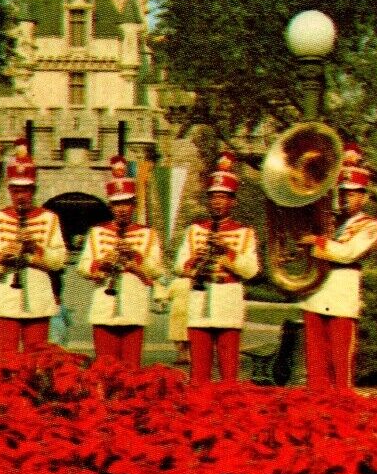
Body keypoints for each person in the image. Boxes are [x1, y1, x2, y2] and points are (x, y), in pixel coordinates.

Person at [297, 143, 377, 392]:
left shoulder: (370, 225)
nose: (347, 197)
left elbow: (348, 253)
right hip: (315, 292)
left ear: (365, 196)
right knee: (314, 365)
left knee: (340, 365)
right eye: (344, 192)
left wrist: (316, 241)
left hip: (342, 292)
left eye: (355, 193)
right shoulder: (326, 221)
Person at [174, 152, 261, 385]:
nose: (218, 202)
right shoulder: (195, 230)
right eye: (214, 197)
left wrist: (227, 253)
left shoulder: (244, 232)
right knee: (199, 371)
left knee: (228, 369)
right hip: (199, 300)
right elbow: (178, 265)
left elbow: (251, 270)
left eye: (223, 197)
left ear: (232, 201)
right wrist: (194, 261)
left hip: (228, 300)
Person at [0, 140, 66, 354]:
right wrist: (2, 255)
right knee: (5, 360)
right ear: (9, 191)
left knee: (36, 362)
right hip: (6, 297)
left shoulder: (49, 218)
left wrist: (35, 248)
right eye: (16, 190)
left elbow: (60, 259)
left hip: (38, 298)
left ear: (33, 190)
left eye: (26, 190)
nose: (21, 196)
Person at [78, 156, 164, 366]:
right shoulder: (97, 232)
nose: (122, 209)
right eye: (117, 204)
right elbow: (83, 266)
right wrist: (103, 263)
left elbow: (156, 270)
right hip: (104, 306)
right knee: (104, 367)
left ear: (134, 205)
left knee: (131, 368)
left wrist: (135, 257)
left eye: (126, 203)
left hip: (134, 306)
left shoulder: (147, 234)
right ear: (110, 206)